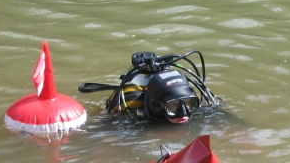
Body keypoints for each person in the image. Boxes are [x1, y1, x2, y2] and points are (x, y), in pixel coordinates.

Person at [78, 50, 220, 124]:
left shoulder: (193, 109)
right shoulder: (133, 111)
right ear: (157, 106)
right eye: (173, 106)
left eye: (188, 103)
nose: (184, 113)